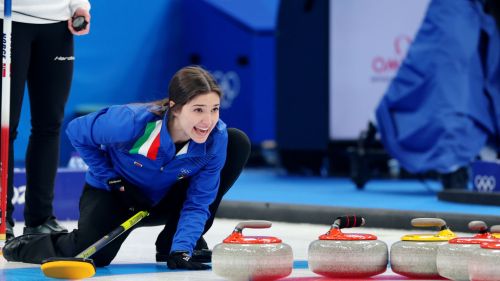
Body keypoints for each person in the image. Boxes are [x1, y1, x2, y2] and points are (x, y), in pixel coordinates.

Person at [2, 65, 251, 270]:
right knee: (92, 255)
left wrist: (182, 249)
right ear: (175, 107)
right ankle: (22, 245)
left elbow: (199, 201)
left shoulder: (216, 138)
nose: (208, 121)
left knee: (237, 141)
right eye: (198, 110)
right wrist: (111, 179)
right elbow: (75, 131)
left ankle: (172, 243)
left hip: (164, 198)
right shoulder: (130, 123)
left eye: (215, 109)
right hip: (116, 195)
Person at [0, 0, 91, 240]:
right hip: (8, 21)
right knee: (5, 126)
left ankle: (40, 219)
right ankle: (2, 217)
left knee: (49, 125)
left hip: (57, 26)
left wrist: (79, 6)